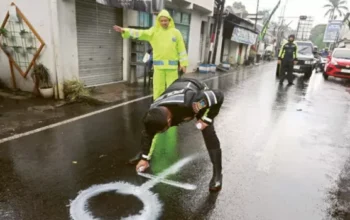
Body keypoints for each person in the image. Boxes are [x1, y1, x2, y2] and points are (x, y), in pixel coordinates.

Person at [134, 77, 225, 192]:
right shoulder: (153, 110)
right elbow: (148, 134)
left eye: (162, 131)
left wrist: (207, 119)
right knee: (149, 134)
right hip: (177, 85)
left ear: (169, 122)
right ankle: (144, 153)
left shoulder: (195, 104)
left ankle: (218, 174)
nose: (160, 133)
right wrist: (144, 158)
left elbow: (219, 95)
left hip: (195, 88)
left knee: (208, 132)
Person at [113, 9, 189, 100]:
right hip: (158, 68)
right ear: (159, 21)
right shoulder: (154, 31)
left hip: (172, 69)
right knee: (158, 89)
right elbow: (140, 33)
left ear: (169, 20)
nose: (164, 22)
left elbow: (181, 49)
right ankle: (157, 105)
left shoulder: (176, 33)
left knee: (172, 89)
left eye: (165, 20)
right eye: (162, 21)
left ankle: (172, 106)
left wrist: (183, 64)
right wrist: (125, 31)